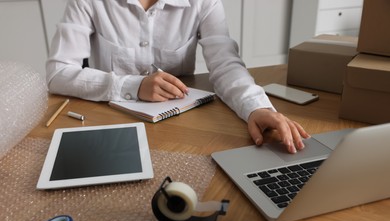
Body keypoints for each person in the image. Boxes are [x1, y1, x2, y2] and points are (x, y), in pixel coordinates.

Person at [46, 0, 309, 154]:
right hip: (109, 126)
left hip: (183, 130)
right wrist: (132, 86)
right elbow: (58, 72)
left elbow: (225, 64)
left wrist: (256, 107)